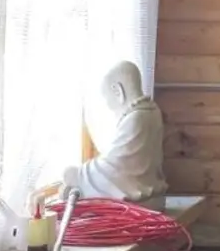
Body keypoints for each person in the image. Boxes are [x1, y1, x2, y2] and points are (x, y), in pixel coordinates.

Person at [61, 60, 165, 204]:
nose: (109, 106)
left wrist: (81, 174)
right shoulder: (153, 111)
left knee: (70, 174)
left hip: (137, 189)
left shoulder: (136, 118)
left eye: (107, 98)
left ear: (118, 91)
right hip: (149, 188)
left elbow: (116, 166)